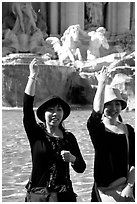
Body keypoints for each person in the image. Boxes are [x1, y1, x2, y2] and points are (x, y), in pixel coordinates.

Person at [23, 58, 86, 202]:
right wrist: (32, 77)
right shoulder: (36, 134)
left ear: (63, 114)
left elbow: (81, 167)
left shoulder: (69, 138)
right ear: (43, 114)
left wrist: (73, 159)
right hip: (38, 196)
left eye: (59, 110)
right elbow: (27, 108)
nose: (55, 114)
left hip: (64, 197)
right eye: (50, 110)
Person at [87, 66, 135, 202]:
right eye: (108, 104)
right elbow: (96, 112)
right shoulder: (97, 129)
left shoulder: (128, 130)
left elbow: (134, 161)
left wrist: (130, 186)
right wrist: (102, 83)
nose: (113, 108)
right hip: (102, 192)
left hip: (125, 189)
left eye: (117, 104)